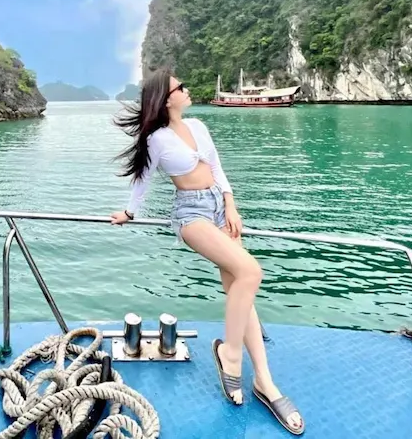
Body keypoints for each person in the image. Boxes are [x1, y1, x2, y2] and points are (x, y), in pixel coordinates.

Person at [110, 68, 305, 435]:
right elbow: (143, 179)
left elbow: (216, 167)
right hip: (191, 214)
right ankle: (230, 355)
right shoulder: (156, 139)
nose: (186, 90)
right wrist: (129, 212)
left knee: (240, 291)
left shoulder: (198, 125)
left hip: (219, 208)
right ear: (166, 99)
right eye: (179, 88)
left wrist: (231, 205)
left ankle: (264, 380)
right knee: (250, 272)